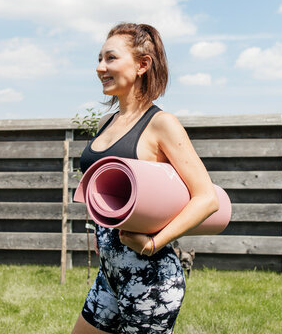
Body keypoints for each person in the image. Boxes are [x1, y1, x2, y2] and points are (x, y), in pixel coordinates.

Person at [71, 23, 219, 334]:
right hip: (110, 275)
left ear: (142, 65)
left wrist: (154, 243)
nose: (100, 67)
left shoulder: (161, 124)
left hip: (150, 281)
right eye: (99, 58)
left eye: (111, 58)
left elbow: (207, 198)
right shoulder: (106, 122)